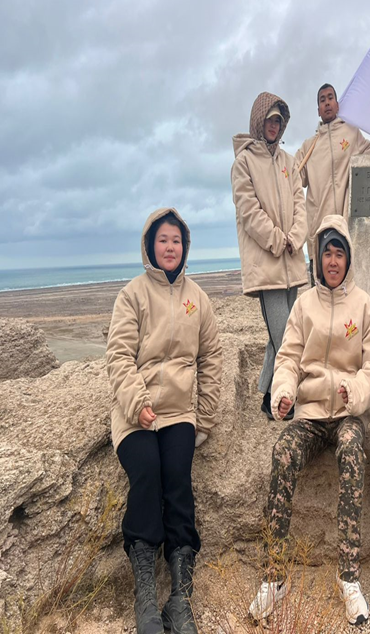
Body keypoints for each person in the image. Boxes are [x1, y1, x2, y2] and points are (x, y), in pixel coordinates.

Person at [249, 215, 370, 627]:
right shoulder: (304, 305)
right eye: (327, 253)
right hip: (310, 414)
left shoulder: (364, 305)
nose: (333, 261)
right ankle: (274, 577)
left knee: (351, 450)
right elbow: (288, 358)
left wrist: (354, 392)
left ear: (348, 258)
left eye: (339, 253)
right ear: (318, 258)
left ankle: (349, 578)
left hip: (347, 413)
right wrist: (283, 391)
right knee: (283, 452)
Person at [106, 207, 222, 634]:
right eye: (163, 240)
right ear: (149, 245)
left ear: (185, 246)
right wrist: (136, 403)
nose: (170, 247)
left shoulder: (198, 299)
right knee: (147, 473)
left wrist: (204, 418)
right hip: (134, 414)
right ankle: (146, 598)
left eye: (176, 240)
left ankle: (180, 598)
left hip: (178, 414)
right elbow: (119, 356)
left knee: (178, 481)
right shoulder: (132, 295)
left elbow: (211, 358)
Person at [231, 92, 308, 417]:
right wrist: (279, 240)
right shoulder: (243, 163)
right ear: (258, 121)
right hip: (267, 264)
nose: (274, 126)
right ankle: (285, 398)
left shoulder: (289, 162)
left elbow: (300, 204)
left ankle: (267, 394)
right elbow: (249, 212)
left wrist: (296, 237)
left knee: (284, 334)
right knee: (285, 336)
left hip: (292, 261)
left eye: (278, 120)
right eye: (269, 120)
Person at [295, 83, 370, 284]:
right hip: (318, 231)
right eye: (322, 100)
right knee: (319, 293)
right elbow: (293, 179)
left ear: (337, 104)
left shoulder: (351, 134)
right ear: (318, 110)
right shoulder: (308, 146)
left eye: (330, 98)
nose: (327, 103)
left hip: (345, 229)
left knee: (347, 292)